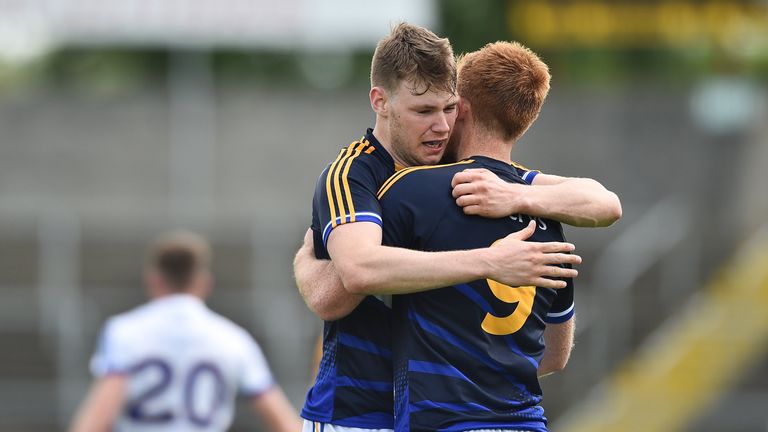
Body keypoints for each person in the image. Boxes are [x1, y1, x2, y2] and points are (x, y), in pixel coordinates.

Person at [296, 23, 620, 432]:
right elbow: (345, 284)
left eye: (448, 108)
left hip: (430, 416)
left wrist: (519, 197)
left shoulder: (489, 184)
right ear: (380, 102)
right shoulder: (355, 174)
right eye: (424, 111)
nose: (442, 126)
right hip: (357, 411)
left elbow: (606, 202)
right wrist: (487, 261)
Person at [378, 41, 575, 432]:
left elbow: (353, 272)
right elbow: (555, 355)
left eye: (447, 106)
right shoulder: (550, 213)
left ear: (460, 108)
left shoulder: (411, 192)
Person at [70, 231, 301, 432]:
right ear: (203, 282)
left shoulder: (125, 331)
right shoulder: (234, 339)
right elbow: (282, 421)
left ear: (153, 280)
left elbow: (98, 419)